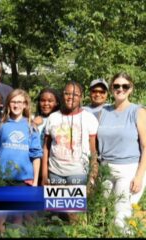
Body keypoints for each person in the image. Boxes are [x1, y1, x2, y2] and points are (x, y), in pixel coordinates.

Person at [41, 81, 99, 223]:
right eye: (67, 93)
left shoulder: (89, 118)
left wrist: (92, 176)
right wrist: (44, 175)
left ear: (81, 97)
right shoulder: (53, 118)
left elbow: (93, 150)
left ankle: (79, 232)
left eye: (75, 94)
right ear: (62, 95)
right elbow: (46, 147)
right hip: (55, 172)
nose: (70, 97)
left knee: (74, 213)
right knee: (58, 212)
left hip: (78, 172)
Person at [0, 89, 42, 234]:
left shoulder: (31, 127)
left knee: (17, 220)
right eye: (13, 101)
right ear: (8, 104)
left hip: (22, 180)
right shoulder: (0, 126)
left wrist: (35, 182)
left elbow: (36, 156)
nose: (16, 105)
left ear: (25, 104)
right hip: (2, 179)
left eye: (19, 102)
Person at [97, 72, 146, 232]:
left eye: (125, 86)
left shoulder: (137, 111)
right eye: (116, 86)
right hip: (105, 169)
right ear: (111, 88)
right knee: (102, 216)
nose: (120, 89)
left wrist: (139, 176)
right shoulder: (103, 111)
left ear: (130, 89)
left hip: (128, 169)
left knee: (121, 218)